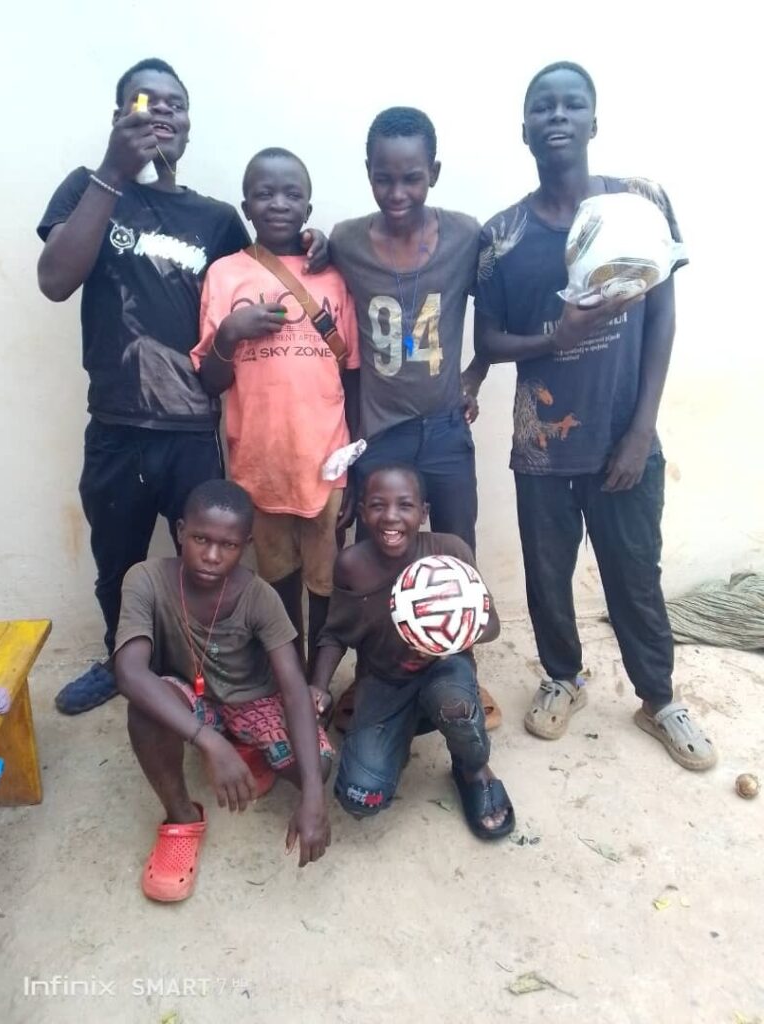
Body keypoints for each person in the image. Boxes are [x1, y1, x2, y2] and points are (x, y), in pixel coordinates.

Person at [37, 58, 326, 715]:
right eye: (145, 102)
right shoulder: (88, 190)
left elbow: (268, 264)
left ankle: (204, 670)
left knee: (212, 561)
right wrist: (112, 172)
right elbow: (55, 281)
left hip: (196, 427)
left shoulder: (217, 218)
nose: (162, 111)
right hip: (116, 424)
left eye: (175, 103)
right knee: (118, 561)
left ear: (189, 126)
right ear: (119, 119)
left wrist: (319, 242)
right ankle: (121, 658)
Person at [473, 61, 716, 770]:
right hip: (541, 443)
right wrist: (555, 338)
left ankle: (659, 698)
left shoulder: (639, 202)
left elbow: (663, 314)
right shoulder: (503, 235)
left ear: (593, 122)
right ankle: (563, 677)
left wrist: (642, 429)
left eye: (571, 105)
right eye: (542, 107)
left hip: (622, 436)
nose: (557, 116)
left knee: (635, 571)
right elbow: (488, 342)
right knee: (548, 576)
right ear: (524, 130)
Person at [114, 479, 332, 902]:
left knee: (317, 767)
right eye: (200, 539)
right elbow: (129, 673)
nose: (212, 555)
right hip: (196, 703)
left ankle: (246, 748)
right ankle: (181, 818)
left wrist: (313, 796)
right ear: (180, 531)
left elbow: (292, 690)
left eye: (227, 545)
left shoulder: (259, 598)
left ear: (246, 545)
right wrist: (210, 742)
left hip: (254, 700)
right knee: (145, 707)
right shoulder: (146, 580)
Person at [191, 148, 360, 673]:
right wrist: (231, 333)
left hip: (325, 462)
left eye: (292, 194)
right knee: (277, 578)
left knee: (326, 579)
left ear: (309, 207)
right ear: (246, 206)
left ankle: (320, 679)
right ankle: (286, 671)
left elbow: (351, 371)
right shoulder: (225, 275)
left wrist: (356, 464)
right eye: (265, 194)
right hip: (259, 465)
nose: (279, 203)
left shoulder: (333, 275)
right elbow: (211, 380)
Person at [310, 465, 515, 840]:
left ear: (423, 511)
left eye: (405, 505)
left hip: (445, 671)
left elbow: (491, 625)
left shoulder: (449, 551)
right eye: (377, 505)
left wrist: (439, 636)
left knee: (456, 706)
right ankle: (394, 739)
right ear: (362, 511)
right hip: (384, 680)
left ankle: (473, 769)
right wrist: (319, 686)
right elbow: (335, 633)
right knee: (360, 796)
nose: (390, 516)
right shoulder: (353, 564)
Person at [329, 106, 488, 552]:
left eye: (412, 178)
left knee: (457, 552)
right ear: (369, 173)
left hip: (446, 430)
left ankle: (456, 624)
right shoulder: (346, 241)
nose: (397, 193)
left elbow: (500, 309)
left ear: (433, 173)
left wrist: (475, 373)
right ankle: (377, 627)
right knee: (376, 557)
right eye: (384, 179)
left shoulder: (463, 235)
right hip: (380, 435)